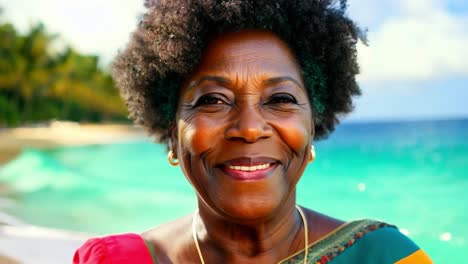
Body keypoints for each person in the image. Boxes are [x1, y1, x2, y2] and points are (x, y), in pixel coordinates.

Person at [74, 0, 433, 263]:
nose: (248, 128)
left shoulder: (385, 257)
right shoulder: (114, 260)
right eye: (213, 100)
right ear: (173, 134)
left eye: (280, 98)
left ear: (312, 128)